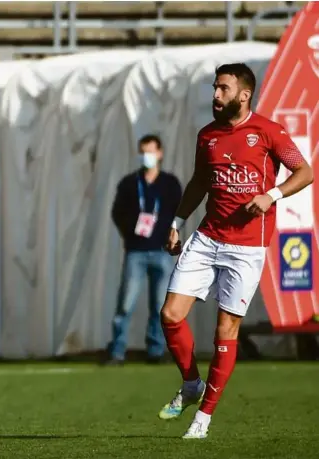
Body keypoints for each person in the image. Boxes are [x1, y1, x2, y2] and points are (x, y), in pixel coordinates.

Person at [158, 63, 313, 439]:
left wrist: (271, 195)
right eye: (215, 87)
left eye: (223, 89)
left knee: (225, 330)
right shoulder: (207, 135)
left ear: (244, 95)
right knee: (170, 315)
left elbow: (305, 172)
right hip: (208, 237)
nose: (215, 95)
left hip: (246, 247)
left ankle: (203, 419)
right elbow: (199, 182)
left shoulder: (268, 131)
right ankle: (191, 383)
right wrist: (177, 222)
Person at [107, 134, 182, 365]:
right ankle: (117, 351)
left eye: (150, 151)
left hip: (161, 251)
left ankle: (156, 351)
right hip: (136, 251)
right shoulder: (129, 183)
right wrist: (131, 230)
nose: (146, 156)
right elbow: (117, 213)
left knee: (160, 305)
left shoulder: (170, 183)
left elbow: (179, 213)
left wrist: (173, 235)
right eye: (143, 152)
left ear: (160, 153)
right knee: (125, 304)